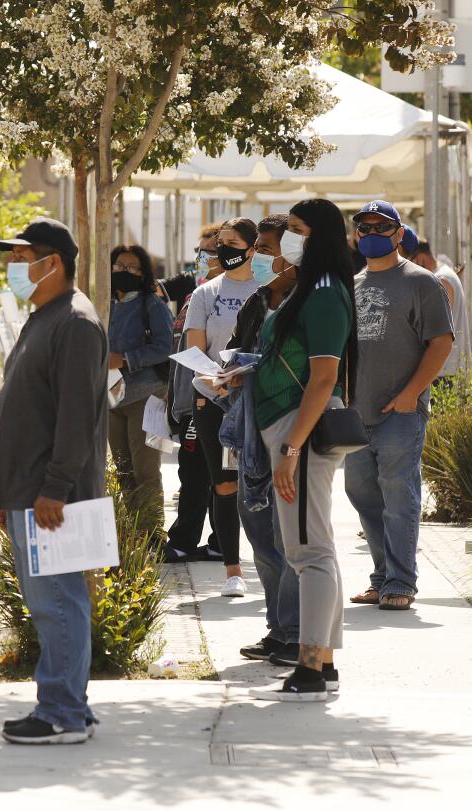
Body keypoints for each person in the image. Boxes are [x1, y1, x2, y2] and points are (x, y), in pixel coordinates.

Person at [0, 216, 107, 745]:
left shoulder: (75, 322)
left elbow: (77, 416)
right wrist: (10, 494)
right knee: (54, 601)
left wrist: (53, 488)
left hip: (53, 498)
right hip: (31, 494)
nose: (12, 268)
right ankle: (70, 703)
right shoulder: (46, 315)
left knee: (58, 601)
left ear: (52, 262)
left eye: (20, 258)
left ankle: (61, 712)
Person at [248, 197, 357, 702]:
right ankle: (323, 663)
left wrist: (292, 447)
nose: (287, 236)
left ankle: (311, 668)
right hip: (291, 429)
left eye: (295, 228)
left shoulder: (325, 292)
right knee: (316, 548)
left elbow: (325, 375)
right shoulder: (309, 289)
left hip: (301, 432)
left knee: (307, 551)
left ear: (319, 236)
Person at [344, 201, 453, 612]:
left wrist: (412, 393)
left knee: (398, 496)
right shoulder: (351, 285)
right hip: (355, 412)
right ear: (356, 235)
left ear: (398, 232)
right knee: (362, 493)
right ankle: (382, 575)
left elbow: (442, 342)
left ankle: (401, 581)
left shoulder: (421, 282)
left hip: (401, 412)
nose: (371, 231)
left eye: (380, 225)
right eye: (364, 226)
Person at [226, 214, 303, 667]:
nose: (258, 258)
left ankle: (297, 633)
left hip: (288, 429)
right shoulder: (256, 301)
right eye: (257, 249)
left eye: (268, 250)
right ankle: (278, 629)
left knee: (288, 535)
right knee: (259, 533)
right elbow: (237, 350)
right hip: (248, 429)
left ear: (290, 255)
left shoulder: (307, 304)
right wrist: (227, 373)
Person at [182, 217, 262, 596]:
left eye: (232, 242)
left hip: (259, 400)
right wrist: (218, 377)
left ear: (252, 246)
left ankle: (269, 560)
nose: (224, 249)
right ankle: (233, 569)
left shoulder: (268, 289)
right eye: (220, 242)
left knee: (261, 483)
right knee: (225, 483)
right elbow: (195, 347)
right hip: (214, 399)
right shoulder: (205, 293)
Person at [162, 224, 224, 564]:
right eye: (198, 252)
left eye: (208, 253)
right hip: (186, 399)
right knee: (192, 471)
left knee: (205, 475)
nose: (200, 259)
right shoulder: (194, 295)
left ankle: (194, 540)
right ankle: (206, 540)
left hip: (211, 397)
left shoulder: (225, 296)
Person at [108, 243, 174, 541]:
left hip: (147, 396)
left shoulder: (153, 305)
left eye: (132, 267)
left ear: (144, 272)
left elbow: (166, 346)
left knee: (146, 469)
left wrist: (126, 358)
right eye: (120, 266)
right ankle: (132, 536)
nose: (125, 271)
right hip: (111, 398)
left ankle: (152, 534)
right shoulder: (103, 304)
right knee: (122, 470)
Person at [406, 236, 471, 396]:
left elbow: (436, 326)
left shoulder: (440, 280)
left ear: (419, 258)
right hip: (448, 367)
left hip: (444, 370)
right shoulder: (444, 273)